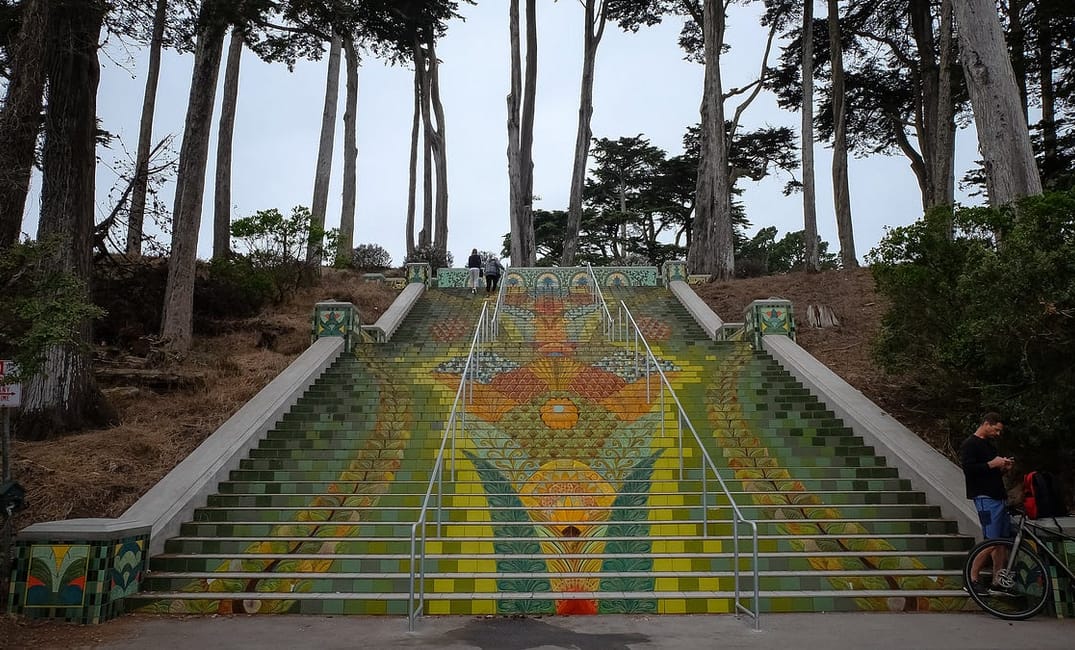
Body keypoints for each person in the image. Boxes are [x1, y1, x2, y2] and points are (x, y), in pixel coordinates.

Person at [960, 412, 1016, 596]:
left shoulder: (989, 445)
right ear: (987, 423)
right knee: (991, 541)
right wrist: (992, 464)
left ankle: (997, 581)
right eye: (996, 429)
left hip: (998, 495)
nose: (997, 434)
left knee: (1001, 541)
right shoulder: (970, 444)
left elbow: (989, 472)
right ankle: (971, 578)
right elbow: (969, 469)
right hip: (984, 498)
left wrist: (1003, 468)